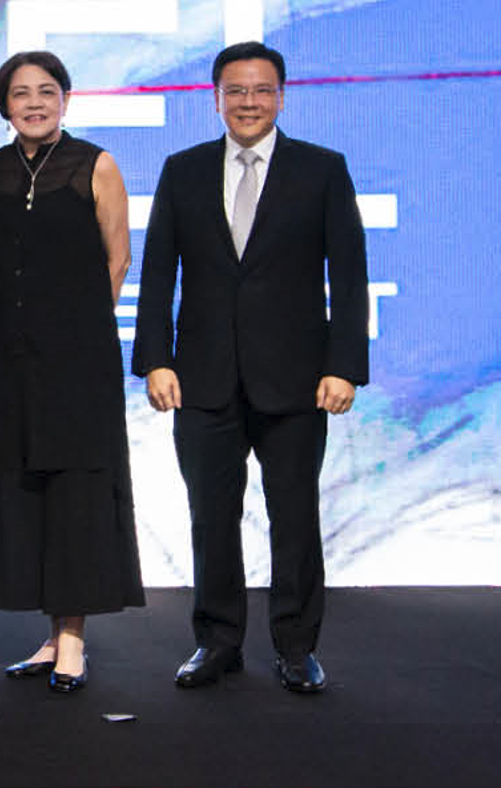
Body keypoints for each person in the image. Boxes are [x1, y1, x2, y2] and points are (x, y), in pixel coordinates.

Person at [132, 41, 369, 694]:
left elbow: (348, 277)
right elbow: (157, 276)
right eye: (234, 91)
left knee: (294, 516)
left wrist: (343, 367)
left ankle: (296, 648)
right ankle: (216, 643)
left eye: (260, 90)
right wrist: (154, 360)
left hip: (296, 380)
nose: (247, 102)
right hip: (201, 378)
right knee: (210, 518)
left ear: (281, 96)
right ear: (215, 98)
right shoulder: (182, 171)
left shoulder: (320, 170)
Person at [0, 52, 146, 693]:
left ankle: (73, 638)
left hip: (78, 360)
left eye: (47, 92)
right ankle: (50, 635)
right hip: (10, 360)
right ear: (4, 106)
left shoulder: (94, 164)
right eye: (21, 94)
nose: (35, 103)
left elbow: (118, 259)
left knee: (76, 489)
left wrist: (74, 332)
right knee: (27, 489)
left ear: (67, 100)